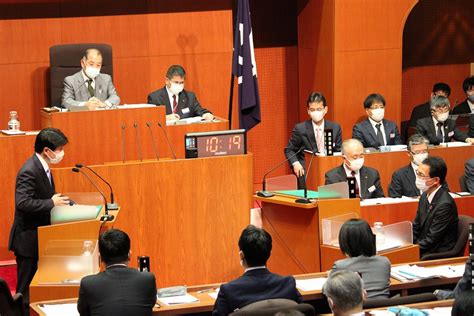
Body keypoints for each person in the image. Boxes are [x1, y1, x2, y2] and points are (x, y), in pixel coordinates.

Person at [8, 128, 70, 309]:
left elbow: (44, 195)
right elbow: (23, 203)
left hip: (40, 238)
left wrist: (62, 201)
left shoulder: (43, 167)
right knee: (24, 291)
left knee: (34, 291)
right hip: (28, 240)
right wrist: (51, 203)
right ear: (47, 151)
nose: (61, 153)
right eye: (59, 149)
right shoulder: (29, 170)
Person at [212, 225, 302, 315]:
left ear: (241, 255)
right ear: (270, 253)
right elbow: (303, 311)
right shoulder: (287, 284)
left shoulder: (228, 290)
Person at [77, 229, 157, 316]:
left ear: (100, 258)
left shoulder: (88, 283)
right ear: (129, 255)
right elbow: (150, 304)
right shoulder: (147, 279)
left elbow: (84, 313)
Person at [284, 92, 342, 188]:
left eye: (319, 109)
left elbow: (339, 151)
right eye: (312, 109)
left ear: (325, 109)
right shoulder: (300, 128)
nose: (316, 112)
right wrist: (296, 164)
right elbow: (289, 150)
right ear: (308, 111)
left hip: (330, 166)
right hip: (307, 169)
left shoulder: (335, 127)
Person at [331, 219, 390, 298]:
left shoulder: (340, 266)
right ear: (370, 238)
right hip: (382, 308)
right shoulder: (384, 262)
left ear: (345, 242)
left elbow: (326, 290)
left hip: (355, 309)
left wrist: (331, 274)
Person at [412, 156, 458, 256]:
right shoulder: (425, 195)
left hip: (436, 252)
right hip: (424, 246)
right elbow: (416, 226)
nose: (417, 177)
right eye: (417, 172)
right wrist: (406, 244)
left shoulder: (445, 204)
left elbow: (432, 239)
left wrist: (410, 250)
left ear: (436, 180)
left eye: (421, 175)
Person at [147, 65, 214, 122]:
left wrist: (206, 114)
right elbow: (150, 119)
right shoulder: (155, 98)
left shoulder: (190, 97)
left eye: (181, 82)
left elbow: (200, 110)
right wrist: (166, 118)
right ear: (167, 81)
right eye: (176, 82)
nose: (179, 85)